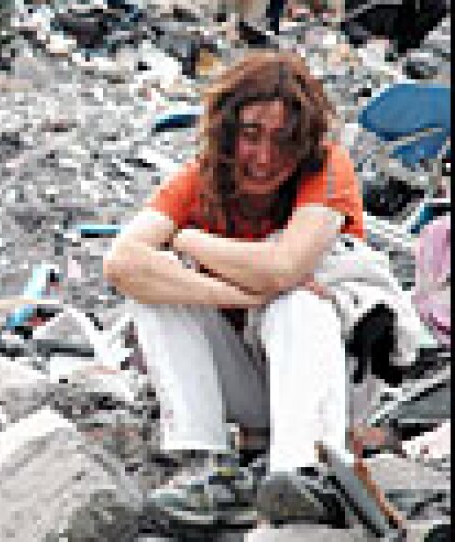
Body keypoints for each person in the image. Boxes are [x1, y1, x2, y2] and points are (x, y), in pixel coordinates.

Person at [103, 50, 363, 525]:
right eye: (251, 136)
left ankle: (301, 469)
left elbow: (283, 268)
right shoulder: (201, 180)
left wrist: (192, 241)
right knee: (157, 291)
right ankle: (209, 464)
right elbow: (123, 262)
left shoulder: (327, 170)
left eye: (284, 141)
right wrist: (239, 290)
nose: (265, 158)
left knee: (297, 302)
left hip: (328, 377)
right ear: (227, 132)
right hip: (252, 378)